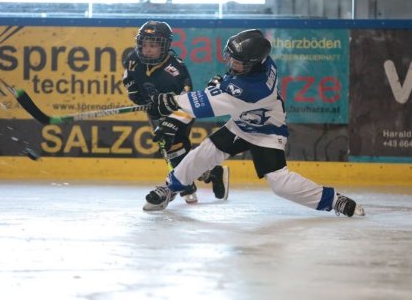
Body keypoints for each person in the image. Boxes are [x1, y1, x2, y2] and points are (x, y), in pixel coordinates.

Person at [143, 29, 366, 217]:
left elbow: (203, 105)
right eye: (230, 57)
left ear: (251, 64)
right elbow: (228, 86)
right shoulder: (263, 62)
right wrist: (220, 84)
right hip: (241, 124)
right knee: (204, 153)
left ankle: (334, 200)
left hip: (266, 132)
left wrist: (169, 101)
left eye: (237, 62)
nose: (231, 63)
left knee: (279, 183)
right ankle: (170, 188)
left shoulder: (250, 89)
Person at [122, 20, 229, 210]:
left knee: (174, 148)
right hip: (153, 110)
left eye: (153, 45)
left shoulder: (176, 71)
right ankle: (210, 173)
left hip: (178, 113)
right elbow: (129, 76)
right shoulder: (133, 58)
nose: (147, 49)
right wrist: (132, 90)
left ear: (165, 46)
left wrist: (171, 123)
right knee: (169, 150)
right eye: (144, 44)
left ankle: (182, 186)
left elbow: (189, 105)